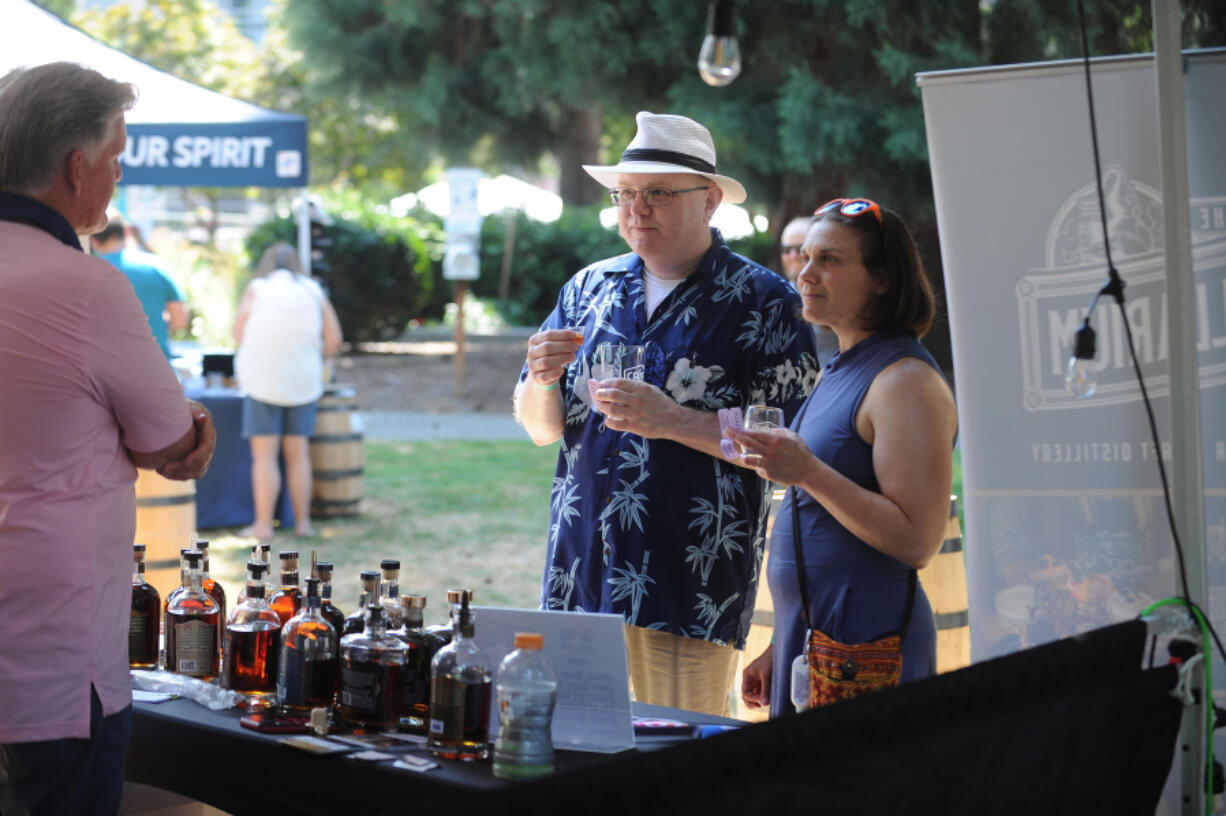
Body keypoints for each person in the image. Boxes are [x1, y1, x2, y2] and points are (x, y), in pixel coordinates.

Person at [514, 111, 819, 717]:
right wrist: (541, 380)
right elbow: (541, 428)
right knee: (578, 752)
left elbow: (792, 448)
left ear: (708, 201)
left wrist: (673, 420)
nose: (636, 209)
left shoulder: (765, 302)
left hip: (690, 589)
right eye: (626, 194)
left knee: (678, 766)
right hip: (580, 579)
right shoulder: (587, 289)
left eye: (657, 193)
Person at [0, 62, 216, 815]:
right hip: (50, 658)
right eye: (117, 159)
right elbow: (168, 439)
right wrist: (174, 434)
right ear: (76, 165)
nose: (118, 179)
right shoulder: (87, 285)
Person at [729, 197, 958, 717]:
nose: (806, 274)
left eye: (830, 260)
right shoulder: (843, 365)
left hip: (865, 649)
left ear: (882, 278)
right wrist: (783, 645)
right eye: (804, 257)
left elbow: (916, 540)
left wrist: (807, 472)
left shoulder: (905, 381)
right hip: (817, 643)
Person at [233, 242, 343, 540]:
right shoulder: (313, 290)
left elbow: (237, 333)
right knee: (299, 455)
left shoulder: (257, 288)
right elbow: (333, 337)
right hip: (303, 383)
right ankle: (303, 523)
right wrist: (318, 361)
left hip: (262, 382)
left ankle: (263, 525)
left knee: (264, 457)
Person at [90, 211, 188, 359]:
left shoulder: (88, 271)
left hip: (105, 366)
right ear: (126, 233)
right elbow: (180, 320)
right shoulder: (157, 266)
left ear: (93, 240)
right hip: (155, 365)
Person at [781, 214, 840, 367]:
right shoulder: (776, 296)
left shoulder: (837, 294)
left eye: (799, 249)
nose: (793, 256)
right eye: (787, 250)